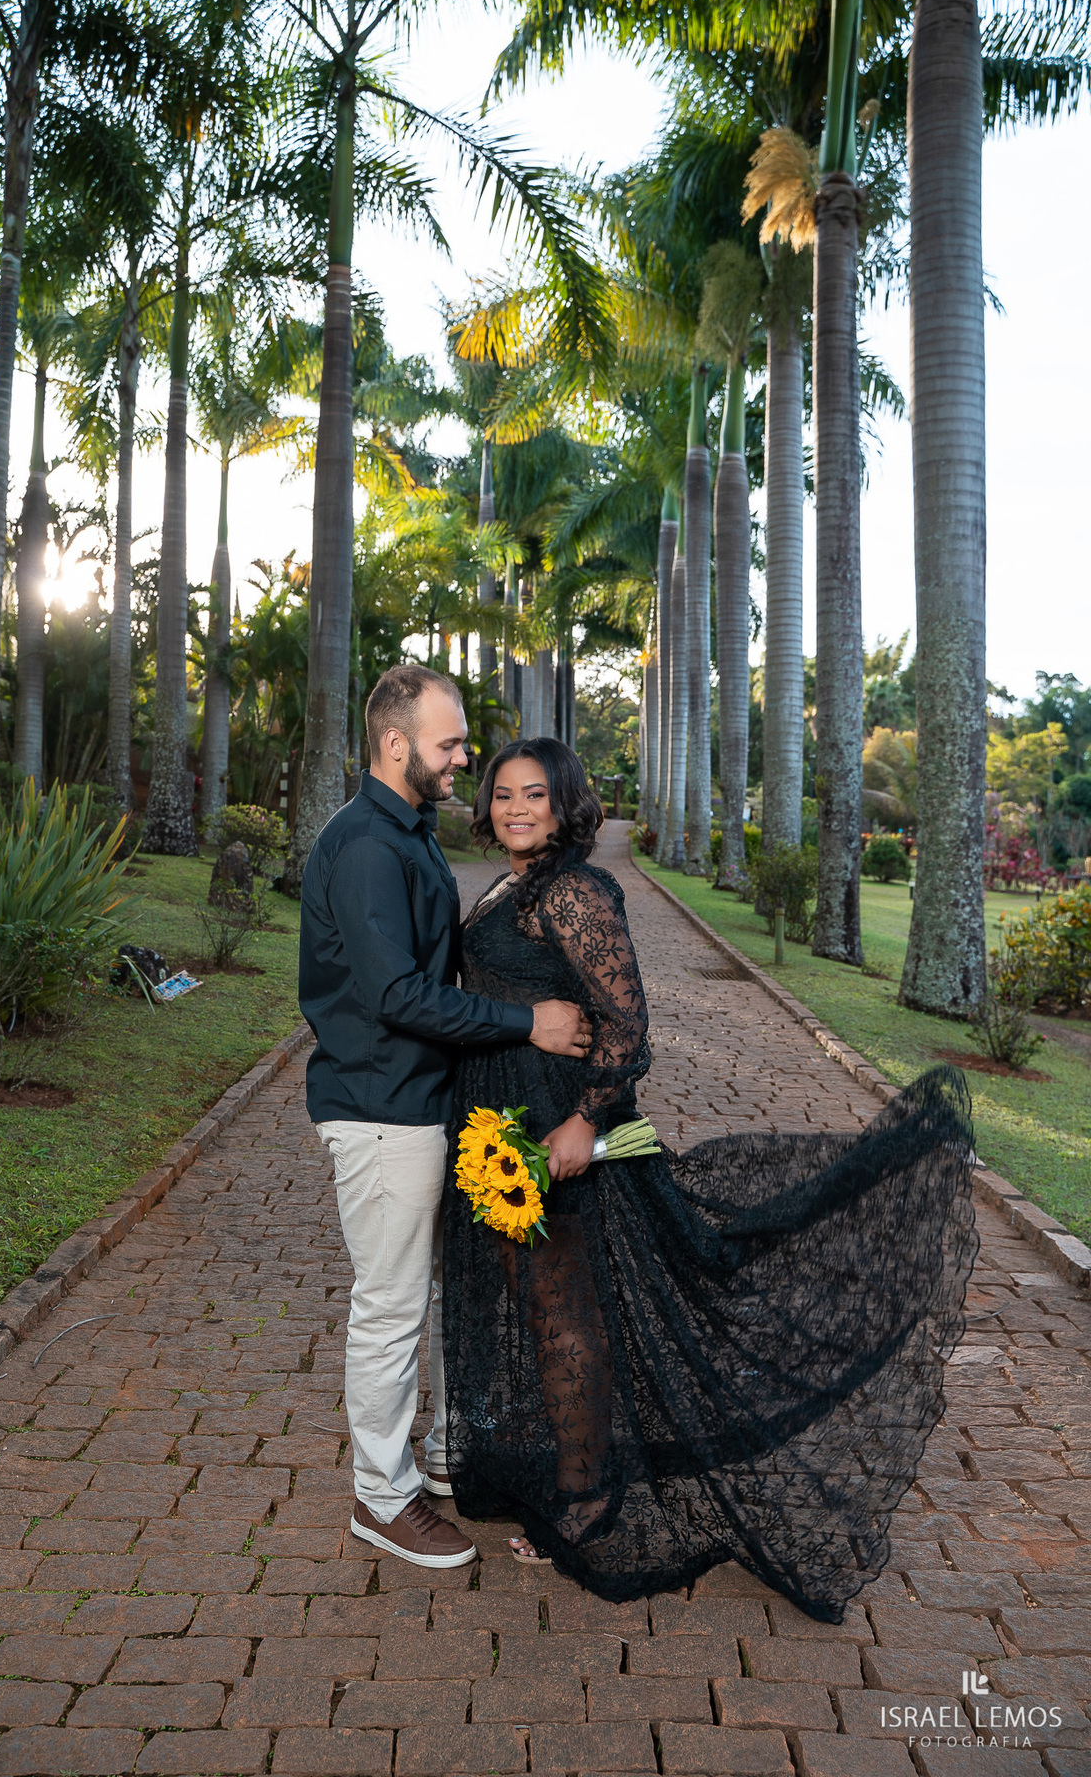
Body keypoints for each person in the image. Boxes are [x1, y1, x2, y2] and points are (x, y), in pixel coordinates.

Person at [443, 736, 979, 1620]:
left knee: (566, 1310)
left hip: (557, 1134)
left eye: (534, 795)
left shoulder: (574, 889)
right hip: (501, 1131)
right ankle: (568, 1471)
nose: (514, 808)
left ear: (565, 803)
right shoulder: (511, 883)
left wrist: (581, 1123)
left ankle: (586, 1496)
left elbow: (627, 1024)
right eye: (503, 794)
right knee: (540, 1306)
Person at [298, 669, 592, 1571]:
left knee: (422, 1298)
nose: (464, 755)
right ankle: (382, 1500)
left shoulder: (410, 834)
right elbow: (395, 994)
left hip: (423, 1105)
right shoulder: (365, 849)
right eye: (450, 743)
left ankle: (424, 1463)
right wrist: (528, 1022)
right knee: (389, 1309)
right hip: (382, 1109)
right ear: (397, 746)